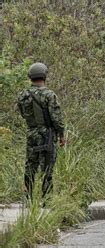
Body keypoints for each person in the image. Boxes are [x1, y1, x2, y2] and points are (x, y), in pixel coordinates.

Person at [16, 62, 65, 201]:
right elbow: (56, 118)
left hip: (31, 133)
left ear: (30, 76)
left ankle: (28, 197)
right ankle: (46, 199)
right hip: (47, 135)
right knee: (47, 167)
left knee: (30, 165)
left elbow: (22, 113)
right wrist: (61, 133)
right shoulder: (49, 95)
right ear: (44, 75)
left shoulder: (23, 95)